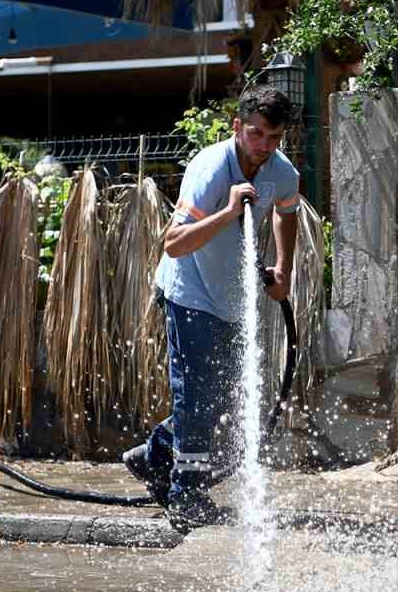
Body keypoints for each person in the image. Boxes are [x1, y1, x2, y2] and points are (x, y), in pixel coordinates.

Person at [123, 86, 301, 532]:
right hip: (189, 291)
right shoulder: (208, 169)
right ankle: (186, 492)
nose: (262, 145)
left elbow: (287, 210)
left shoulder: (281, 172)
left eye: (272, 137)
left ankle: (152, 455)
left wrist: (283, 269)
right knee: (195, 393)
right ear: (238, 127)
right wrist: (227, 212)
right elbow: (174, 244)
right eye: (255, 133)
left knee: (221, 394)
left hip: (232, 296)